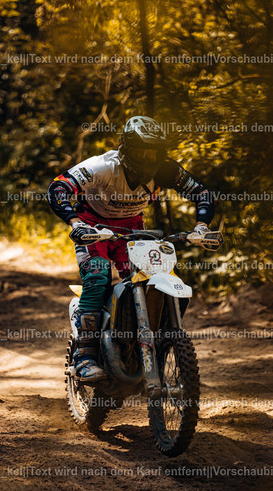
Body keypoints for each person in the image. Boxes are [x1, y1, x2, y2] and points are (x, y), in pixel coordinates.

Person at [47, 116, 216, 382]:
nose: (148, 159)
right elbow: (58, 187)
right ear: (125, 150)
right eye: (141, 152)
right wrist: (75, 222)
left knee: (152, 280)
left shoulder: (165, 170)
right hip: (93, 228)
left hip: (132, 229)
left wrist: (201, 227)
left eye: (154, 153)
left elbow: (202, 193)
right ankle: (85, 357)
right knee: (97, 276)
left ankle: (145, 345)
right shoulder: (103, 167)